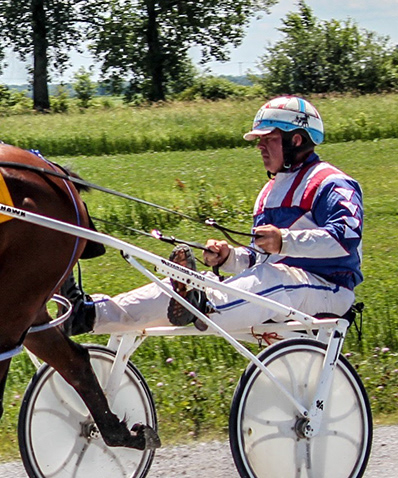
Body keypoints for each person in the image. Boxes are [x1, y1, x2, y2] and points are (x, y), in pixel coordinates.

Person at [66, 95, 362, 339]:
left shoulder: (330, 182)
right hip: (280, 288)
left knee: (274, 278)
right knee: (187, 284)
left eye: (268, 139)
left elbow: (345, 239)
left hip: (328, 289)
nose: (259, 146)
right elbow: (259, 259)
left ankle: (201, 304)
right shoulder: (268, 193)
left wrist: (283, 240)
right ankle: (91, 314)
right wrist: (228, 258)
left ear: (296, 140)